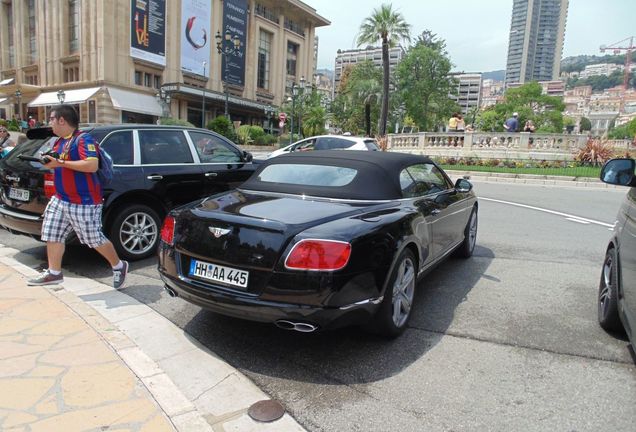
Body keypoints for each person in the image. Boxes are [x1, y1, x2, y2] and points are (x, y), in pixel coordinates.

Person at [27, 104, 129, 288]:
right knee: (51, 232)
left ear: (61, 120)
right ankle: (54, 273)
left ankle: (119, 266)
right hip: (61, 198)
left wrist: (59, 163)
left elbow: (91, 165)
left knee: (93, 239)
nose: (49, 122)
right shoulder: (59, 142)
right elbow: (60, 164)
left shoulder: (83, 139)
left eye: (51, 119)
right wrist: (51, 160)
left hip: (84, 201)